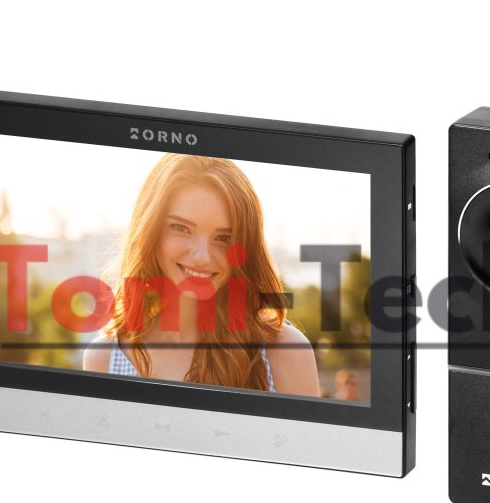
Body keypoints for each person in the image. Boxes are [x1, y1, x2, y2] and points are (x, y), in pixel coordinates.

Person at [83, 154, 320, 397]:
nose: (203, 257)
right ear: (150, 231)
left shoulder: (284, 352)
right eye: (181, 228)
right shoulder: (105, 359)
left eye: (224, 238)